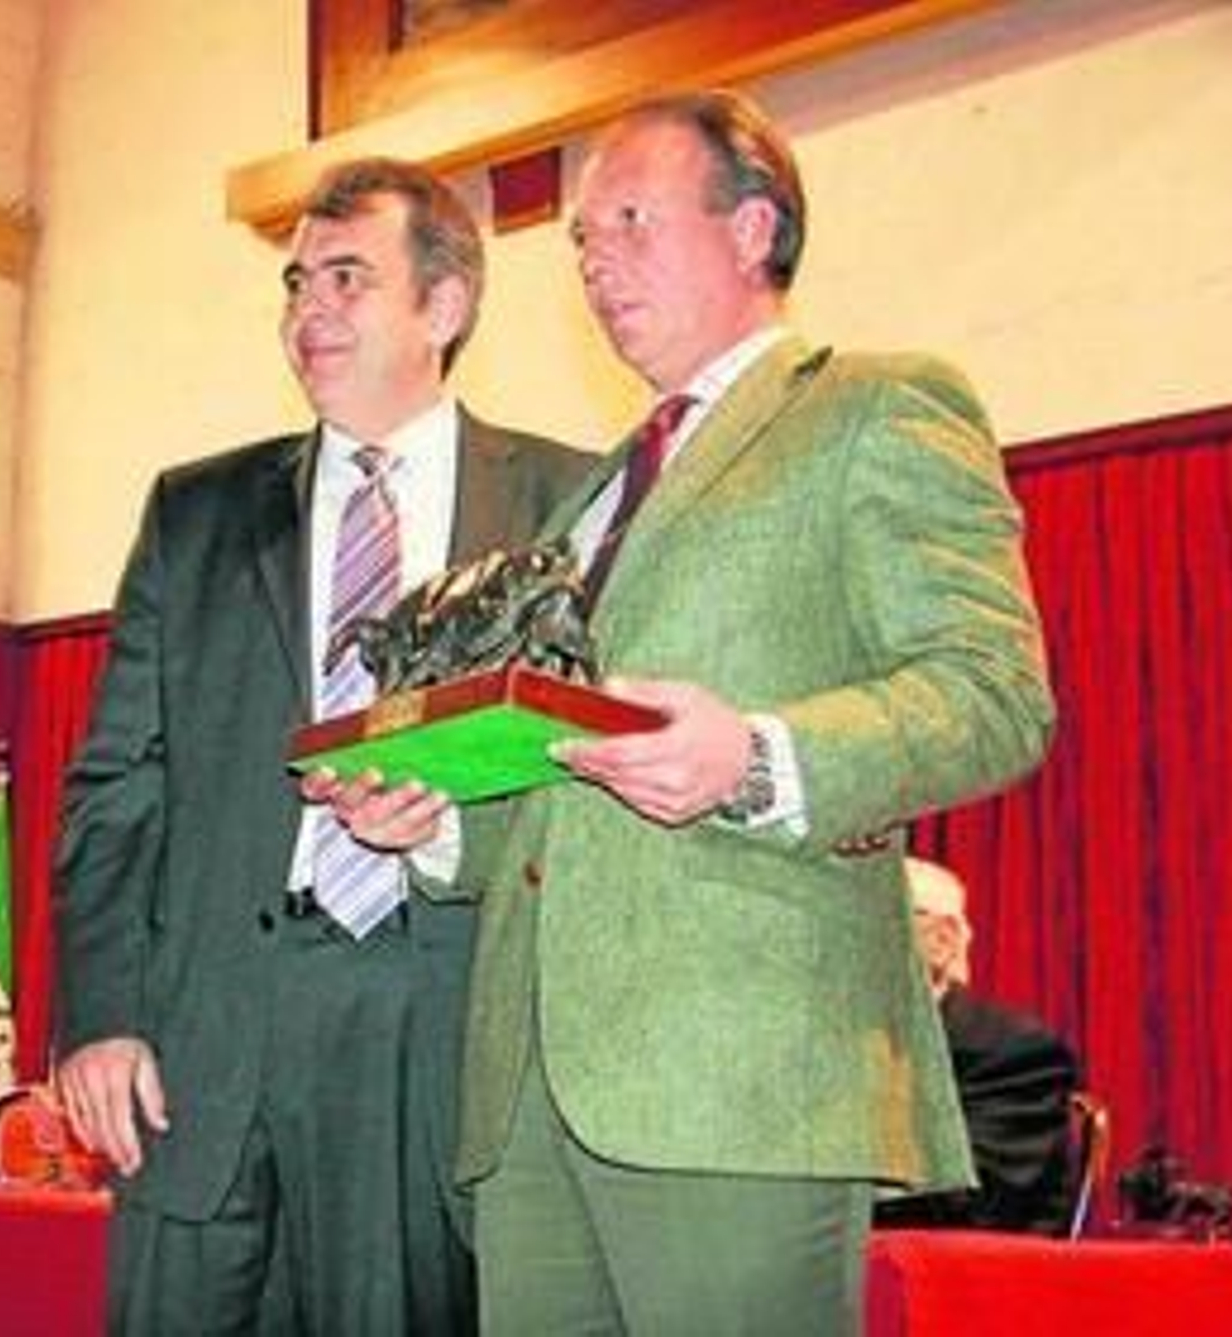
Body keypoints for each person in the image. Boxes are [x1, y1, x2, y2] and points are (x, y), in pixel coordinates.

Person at [315, 90, 1056, 1334]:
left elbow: (993, 691)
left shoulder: (876, 403)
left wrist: (758, 758)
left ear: (753, 226)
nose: (597, 264)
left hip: (739, 1074)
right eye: (583, 242)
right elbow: (566, 781)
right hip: (531, 1090)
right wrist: (433, 827)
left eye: (631, 224)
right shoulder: (591, 496)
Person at [53, 156, 588, 1335]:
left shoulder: (568, 501)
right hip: (204, 1034)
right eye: (298, 284)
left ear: (442, 308)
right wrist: (100, 1011)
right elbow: (116, 781)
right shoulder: (194, 513)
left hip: (440, 1012)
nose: (308, 312)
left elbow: (584, 779)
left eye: (349, 278)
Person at [875, 857, 1080, 1235]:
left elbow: (965, 1200)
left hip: (958, 1275)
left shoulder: (1014, 1053)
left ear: (941, 940)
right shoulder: (825, 1045)